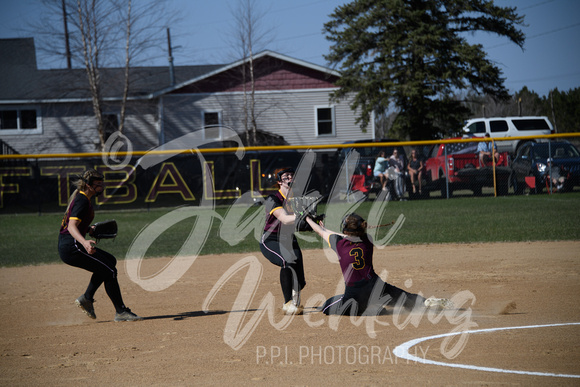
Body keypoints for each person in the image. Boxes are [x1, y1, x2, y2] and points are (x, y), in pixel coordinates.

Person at [305, 213, 452, 316]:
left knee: (327, 306)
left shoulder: (340, 245)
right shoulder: (367, 240)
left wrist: (308, 219)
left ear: (345, 231)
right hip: (375, 285)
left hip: (354, 294)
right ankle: (426, 302)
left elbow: (321, 232)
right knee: (405, 298)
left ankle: (369, 310)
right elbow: (348, 235)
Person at [58, 169, 142, 322]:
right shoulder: (82, 200)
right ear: (89, 185)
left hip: (71, 244)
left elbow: (76, 224)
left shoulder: (83, 198)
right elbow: (71, 226)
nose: (101, 186)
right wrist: (84, 242)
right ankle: (121, 312)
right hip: (72, 247)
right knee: (110, 271)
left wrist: (88, 229)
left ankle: (87, 298)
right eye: (98, 184)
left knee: (110, 261)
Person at [259, 168, 306, 315]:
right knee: (287, 260)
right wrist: (306, 217)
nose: (290, 177)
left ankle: (295, 300)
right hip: (271, 239)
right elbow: (285, 219)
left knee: (299, 275)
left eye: (292, 175)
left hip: (289, 239)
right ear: (279, 181)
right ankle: (287, 303)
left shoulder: (296, 199)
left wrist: (314, 221)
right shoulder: (273, 199)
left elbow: (300, 225)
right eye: (286, 176)